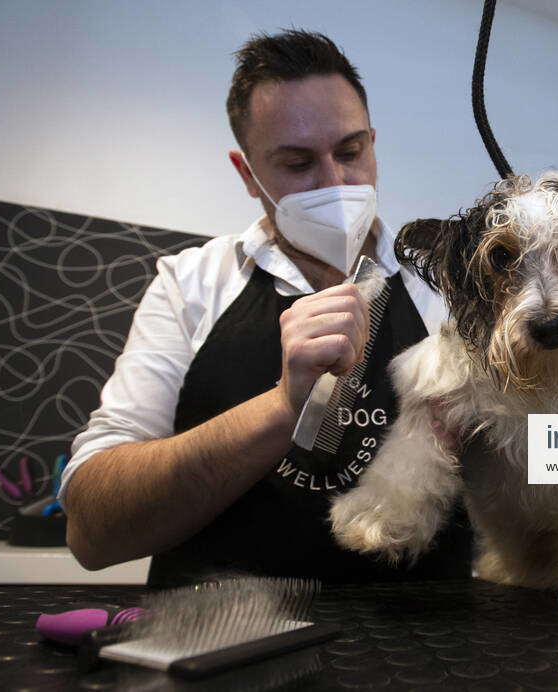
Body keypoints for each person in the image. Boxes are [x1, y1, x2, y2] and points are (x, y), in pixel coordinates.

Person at [60, 30, 473, 588]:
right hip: (215, 632)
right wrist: (282, 408)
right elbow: (93, 531)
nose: (335, 182)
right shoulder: (191, 285)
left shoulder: (451, 287)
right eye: (297, 164)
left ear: (373, 143)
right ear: (247, 174)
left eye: (350, 152)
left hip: (428, 637)